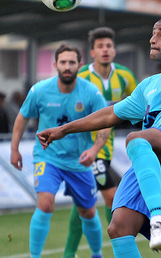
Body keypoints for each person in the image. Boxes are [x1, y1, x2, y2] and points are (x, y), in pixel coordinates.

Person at [37, 16, 161, 257]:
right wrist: (62, 130)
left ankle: (158, 218)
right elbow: (109, 114)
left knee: (137, 138)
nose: (152, 39)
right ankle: (156, 217)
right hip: (157, 160)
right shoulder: (148, 85)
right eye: (153, 33)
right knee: (119, 228)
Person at [10, 44, 110, 258]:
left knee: (88, 212)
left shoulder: (91, 92)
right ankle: (34, 256)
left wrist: (94, 150)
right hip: (48, 158)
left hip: (79, 161)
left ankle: (96, 254)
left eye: (71, 62)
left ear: (79, 65)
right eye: (63, 62)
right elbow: (22, 116)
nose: (67, 67)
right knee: (45, 204)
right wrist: (14, 149)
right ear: (55, 65)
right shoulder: (40, 90)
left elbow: (105, 121)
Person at [63, 27, 138, 258]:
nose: (105, 50)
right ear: (92, 52)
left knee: (83, 204)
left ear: (114, 51)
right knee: (111, 197)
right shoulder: (82, 76)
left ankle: (70, 253)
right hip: (84, 148)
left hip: (106, 148)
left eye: (108, 46)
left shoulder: (124, 76)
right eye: (100, 46)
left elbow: (140, 105)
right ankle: (119, 246)